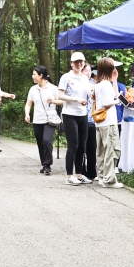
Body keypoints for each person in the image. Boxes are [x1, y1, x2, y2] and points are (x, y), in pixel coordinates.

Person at [58, 52, 93, 186]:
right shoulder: (66, 77)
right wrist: (76, 99)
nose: (79, 64)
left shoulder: (85, 78)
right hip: (69, 114)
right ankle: (69, 176)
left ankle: (79, 174)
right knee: (73, 144)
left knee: (82, 146)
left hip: (83, 114)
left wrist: (92, 93)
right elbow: (60, 95)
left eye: (81, 61)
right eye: (76, 62)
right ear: (71, 63)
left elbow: (88, 94)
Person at [24, 65, 62, 175]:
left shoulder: (53, 88)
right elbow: (28, 103)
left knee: (47, 140)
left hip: (50, 119)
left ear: (41, 76)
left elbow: (63, 101)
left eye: (34, 74)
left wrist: (54, 101)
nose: (32, 76)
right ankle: (44, 164)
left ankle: (48, 164)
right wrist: (27, 114)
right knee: (40, 142)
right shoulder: (33, 89)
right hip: (37, 120)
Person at [93, 57, 124, 188]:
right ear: (109, 69)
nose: (115, 70)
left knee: (101, 150)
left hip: (100, 123)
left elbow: (115, 95)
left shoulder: (99, 84)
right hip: (109, 122)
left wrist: (115, 80)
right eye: (114, 68)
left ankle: (101, 176)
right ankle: (109, 180)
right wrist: (119, 102)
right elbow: (108, 102)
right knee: (112, 149)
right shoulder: (105, 85)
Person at [80, 62, 98, 181]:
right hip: (80, 118)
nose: (89, 73)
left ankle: (92, 172)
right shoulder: (77, 83)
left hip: (92, 119)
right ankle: (80, 171)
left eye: (90, 71)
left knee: (92, 146)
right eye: (86, 70)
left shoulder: (93, 84)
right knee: (81, 147)